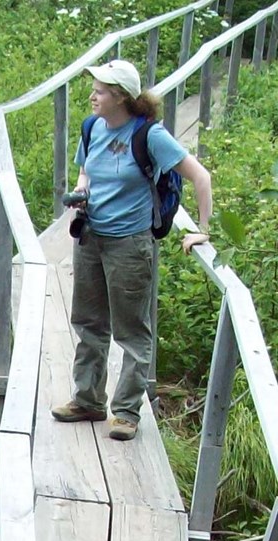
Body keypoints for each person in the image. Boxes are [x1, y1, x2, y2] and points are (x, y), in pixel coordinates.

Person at [51, 59, 212, 440]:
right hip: (91, 236)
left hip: (130, 244)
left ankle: (125, 413)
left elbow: (200, 176)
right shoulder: (92, 127)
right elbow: (86, 170)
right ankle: (88, 400)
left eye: (100, 90)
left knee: (131, 330)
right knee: (89, 322)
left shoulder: (149, 135)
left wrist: (203, 231)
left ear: (121, 96)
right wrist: (82, 193)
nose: (92, 96)